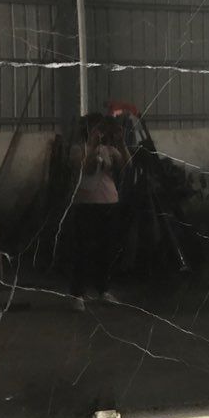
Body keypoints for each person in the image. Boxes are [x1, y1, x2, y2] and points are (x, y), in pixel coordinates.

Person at [69, 113, 131, 310]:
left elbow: (127, 166)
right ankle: (78, 294)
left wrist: (121, 143)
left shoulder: (109, 150)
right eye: (95, 128)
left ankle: (103, 289)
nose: (99, 133)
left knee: (106, 249)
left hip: (109, 202)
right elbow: (86, 170)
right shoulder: (77, 150)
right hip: (85, 204)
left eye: (100, 129)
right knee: (83, 249)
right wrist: (93, 147)